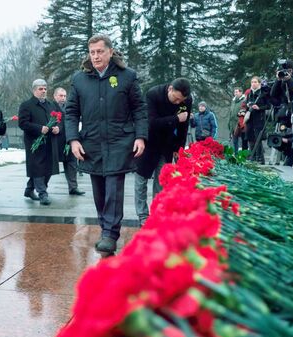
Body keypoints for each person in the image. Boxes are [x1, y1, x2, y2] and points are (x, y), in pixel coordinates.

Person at [65, 34, 147, 255]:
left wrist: (140, 136)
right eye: (92, 52)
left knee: (113, 187)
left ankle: (110, 234)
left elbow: (139, 109)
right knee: (99, 190)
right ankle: (106, 228)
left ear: (110, 52)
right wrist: (73, 139)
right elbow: (71, 112)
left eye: (100, 51)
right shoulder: (80, 79)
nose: (96, 56)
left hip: (120, 141)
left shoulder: (127, 77)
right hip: (91, 142)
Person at [135, 78, 192, 227]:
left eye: (182, 100)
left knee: (161, 182)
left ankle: (157, 214)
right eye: (176, 98)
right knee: (141, 181)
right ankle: (142, 215)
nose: (178, 102)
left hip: (167, 144)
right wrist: (175, 118)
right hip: (148, 143)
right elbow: (152, 123)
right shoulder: (153, 94)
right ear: (170, 89)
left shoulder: (186, 100)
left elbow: (183, 127)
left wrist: (179, 149)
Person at [18, 79, 61, 205]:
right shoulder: (26, 105)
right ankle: (43, 193)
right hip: (34, 142)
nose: (43, 91)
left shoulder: (51, 105)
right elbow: (23, 123)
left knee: (48, 168)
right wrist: (39, 128)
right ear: (34, 90)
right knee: (37, 168)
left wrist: (58, 128)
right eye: (40, 89)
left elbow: (58, 120)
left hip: (50, 141)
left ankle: (29, 189)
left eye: (45, 89)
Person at [53, 87, 84, 196]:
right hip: (55, 140)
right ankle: (37, 188)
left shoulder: (69, 107)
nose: (63, 98)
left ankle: (73, 188)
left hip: (69, 140)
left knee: (72, 164)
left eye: (65, 96)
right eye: (61, 96)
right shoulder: (50, 107)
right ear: (55, 96)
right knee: (48, 166)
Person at [269, 60, 293, 166]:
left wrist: (289, 80)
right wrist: (278, 80)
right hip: (284, 113)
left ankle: (292, 158)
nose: (285, 73)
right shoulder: (282, 80)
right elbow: (273, 95)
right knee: (282, 137)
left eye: (288, 71)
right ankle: (288, 157)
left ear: (292, 70)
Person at [245, 76, 270, 164]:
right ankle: (253, 157)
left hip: (259, 119)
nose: (253, 84)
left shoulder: (263, 93)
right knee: (250, 138)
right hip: (250, 119)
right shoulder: (249, 93)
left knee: (258, 139)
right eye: (252, 82)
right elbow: (246, 105)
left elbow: (268, 106)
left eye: (255, 82)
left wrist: (259, 107)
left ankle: (260, 159)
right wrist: (248, 106)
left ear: (259, 83)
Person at [227, 87, 246, 152]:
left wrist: (240, 122)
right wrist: (229, 123)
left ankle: (244, 155)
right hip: (232, 124)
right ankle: (236, 154)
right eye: (234, 92)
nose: (235, 93)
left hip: (240, 124)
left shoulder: (244, 101)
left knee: (243, 141)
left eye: (237, 92)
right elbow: (231, 113)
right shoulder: (233, 101)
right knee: (234, 141)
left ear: (241, 92)